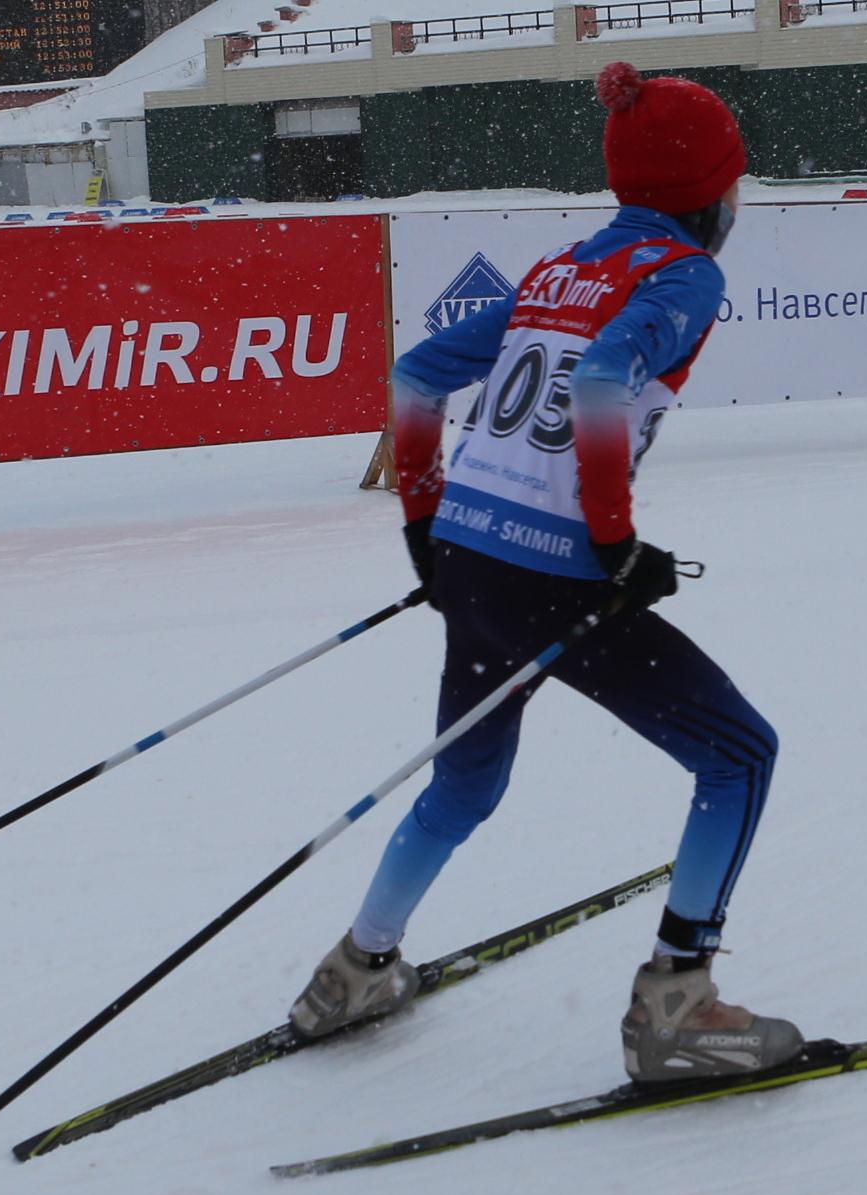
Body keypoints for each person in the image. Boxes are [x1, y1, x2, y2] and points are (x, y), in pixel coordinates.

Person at [286, 63, 799, 1083]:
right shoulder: (686, 274)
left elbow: (418, 373)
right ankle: (675, 1010)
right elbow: (606, 379)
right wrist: (613, 544)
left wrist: (426, 527)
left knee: (463, 786)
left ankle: (355, 968)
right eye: (736, 184)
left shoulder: (561, 266)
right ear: (712, 193)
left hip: (473, 560)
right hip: (554, 576)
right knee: (740, 755)